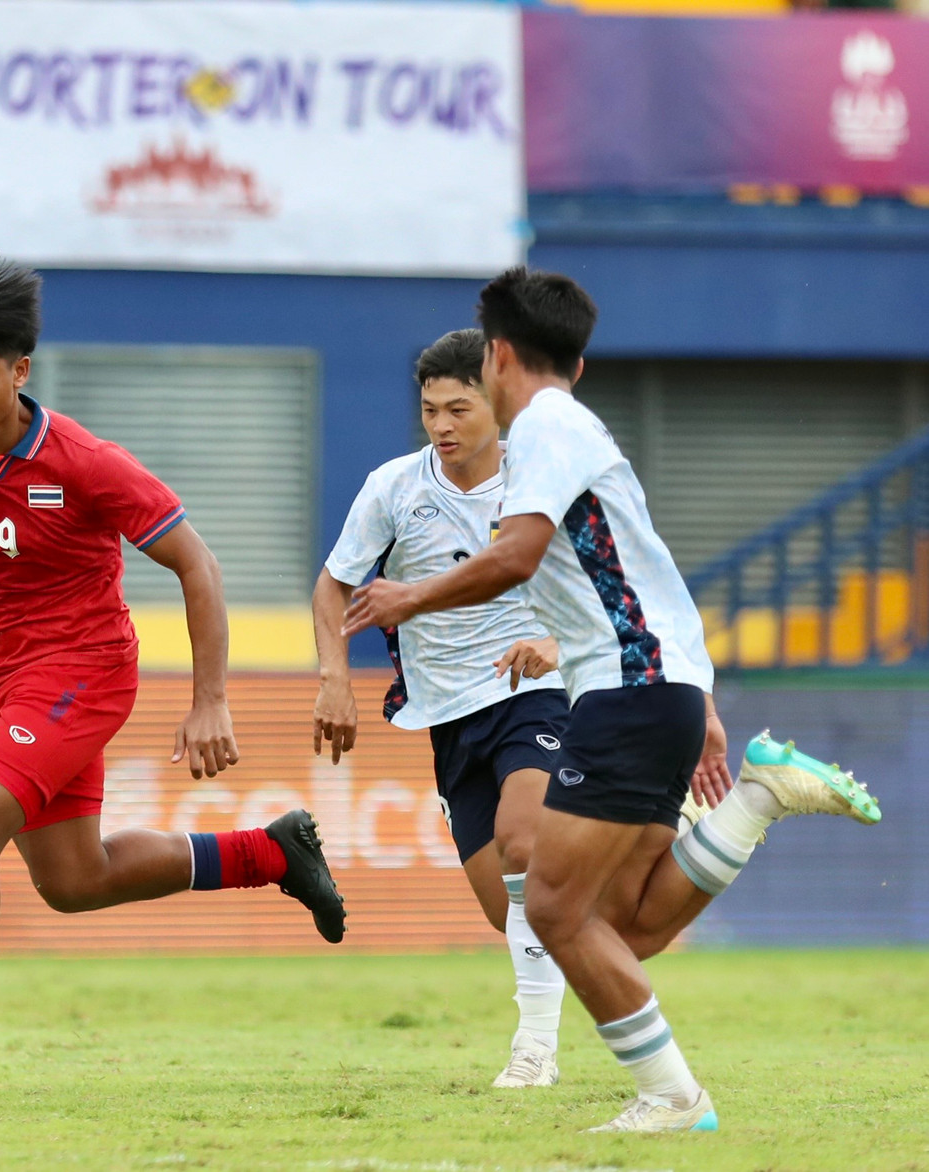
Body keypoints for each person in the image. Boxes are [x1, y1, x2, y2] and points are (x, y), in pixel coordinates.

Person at [0, 256, 345, 1097]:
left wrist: (210, 700)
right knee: (74, 882)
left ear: (19, 370)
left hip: (86, 673)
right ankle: (273, 851)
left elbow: (199, 564)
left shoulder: (85, 461)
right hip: (13, 686)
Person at [342, 267, 881, 1133]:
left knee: (554, 909)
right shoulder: (569, 425)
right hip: (649, 688)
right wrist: (697, 696)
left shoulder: (546, 427)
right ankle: (756, 799)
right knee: (623, 923)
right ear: (582, 363)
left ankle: (672, 1096)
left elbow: (516, 558)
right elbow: (651, 571)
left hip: (626, 693)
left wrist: (408, 597)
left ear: (498, 356)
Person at [312, 328, 570, 1088]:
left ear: (496, 404)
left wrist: (556, 641)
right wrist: (334, 679)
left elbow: (608, 587)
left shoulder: (545, 487)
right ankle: (668, 852)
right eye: (429, 411)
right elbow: (333, 586)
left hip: (535, 692)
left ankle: (534, 1053)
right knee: (515, 912)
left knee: (526, 848)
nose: (442, 426)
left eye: (458, 408)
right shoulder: (393, 488)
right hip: (448, 713)